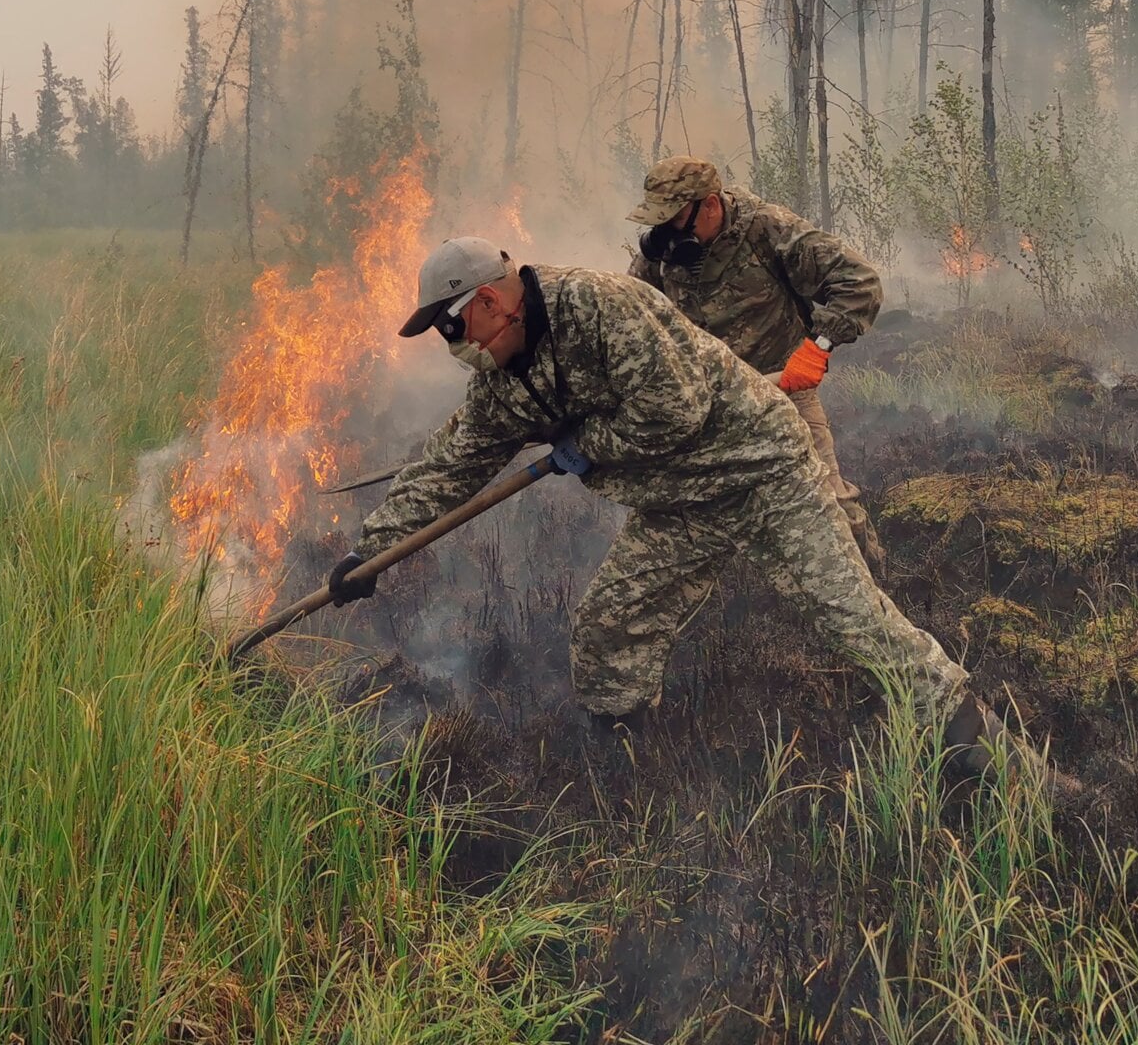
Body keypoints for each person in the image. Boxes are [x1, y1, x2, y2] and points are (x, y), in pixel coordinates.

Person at [325, 235, 1030, 780]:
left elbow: (676, 409)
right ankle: (635, 776)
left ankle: (997, 761)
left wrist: (586, 443)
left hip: (761, 469)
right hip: (684, 502)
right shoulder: (505, 380)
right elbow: (452, 462)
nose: (457, 347)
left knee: (851, 617)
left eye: (452, 329)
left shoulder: (599, 307)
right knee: (609, 632)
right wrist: (372, 550)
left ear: (484, 300)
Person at [628, 155, 887, 573]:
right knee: (680, 523)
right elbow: (633, 312)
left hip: (781, 394)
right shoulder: (665, 251)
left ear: (710, 204)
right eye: (659, 223)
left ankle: (880, 595)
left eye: (675, 220)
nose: (667, 234)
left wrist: (816, 349)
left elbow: (860, 282)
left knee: (829, 505)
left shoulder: (768, 229)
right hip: (705, 405)